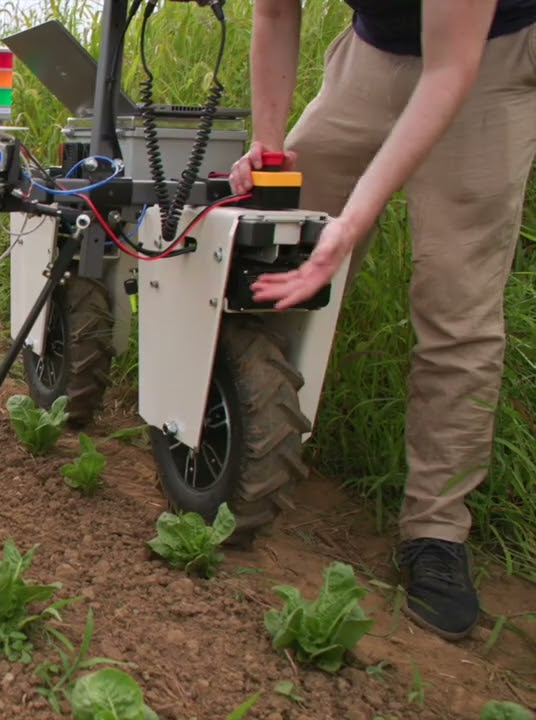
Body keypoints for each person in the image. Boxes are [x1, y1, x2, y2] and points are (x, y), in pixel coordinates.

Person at [228, 0, 536, 641]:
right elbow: (276, 13)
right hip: (372, 56)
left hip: (487, 59)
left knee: (456, 302)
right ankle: (242, 438)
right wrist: (268, 147)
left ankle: (437, 531)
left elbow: (449, 70)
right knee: (278, 237)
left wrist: (353, 221)